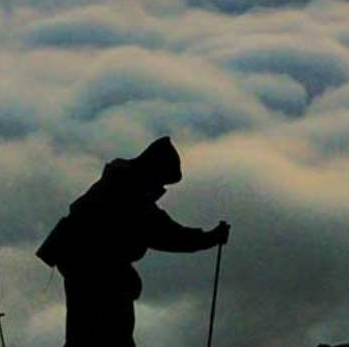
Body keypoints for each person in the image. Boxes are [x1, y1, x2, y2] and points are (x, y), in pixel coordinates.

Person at [37, 137, 230, 347]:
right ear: (155, 171)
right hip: (96, 270)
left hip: (81, 265)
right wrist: (209, 238)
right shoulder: (129, 193)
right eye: (162, 180)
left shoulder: (119, 183)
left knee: (85, 334)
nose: (161, 186)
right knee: (108, 335)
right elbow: (166, 233)